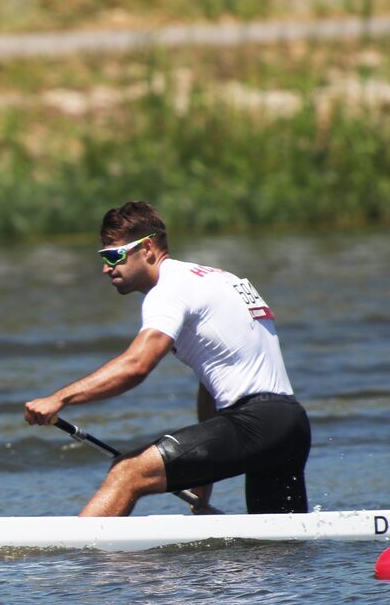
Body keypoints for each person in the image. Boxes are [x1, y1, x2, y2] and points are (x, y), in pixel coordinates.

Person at [24, 201, 310, 516]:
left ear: (147, 248)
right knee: (279, 551)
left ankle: (74, 561)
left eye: (114, 255)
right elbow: (212, 383)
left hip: (254, 423)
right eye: (103, 257)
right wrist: (202, 492)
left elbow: (137, 365)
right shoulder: (219, 277)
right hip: (290, 426)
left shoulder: (169, 289)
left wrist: (60, 398)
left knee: (127, 473)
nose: (107, 268)